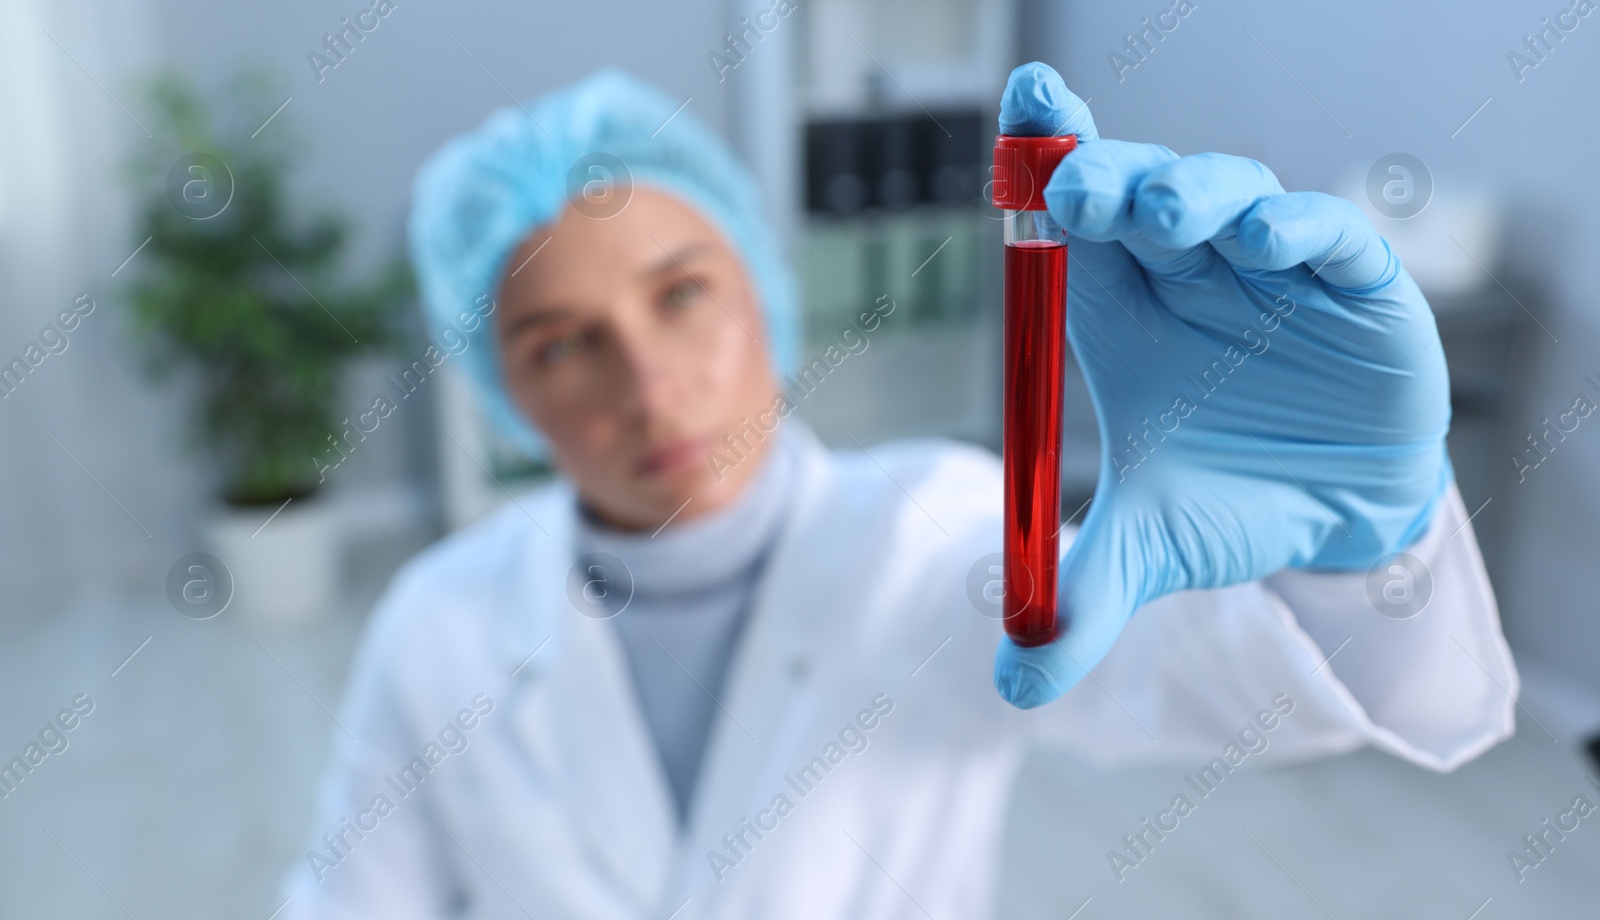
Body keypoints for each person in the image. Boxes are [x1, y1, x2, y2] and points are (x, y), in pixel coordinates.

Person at [280, 63, 1516, 919]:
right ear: (501, 392)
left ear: (764, 289)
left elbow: (1257, 689)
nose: (646, 383)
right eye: (561, 342)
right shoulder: (436, 624)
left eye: (679, 293)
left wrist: (1362, 548)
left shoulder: (935, 537)